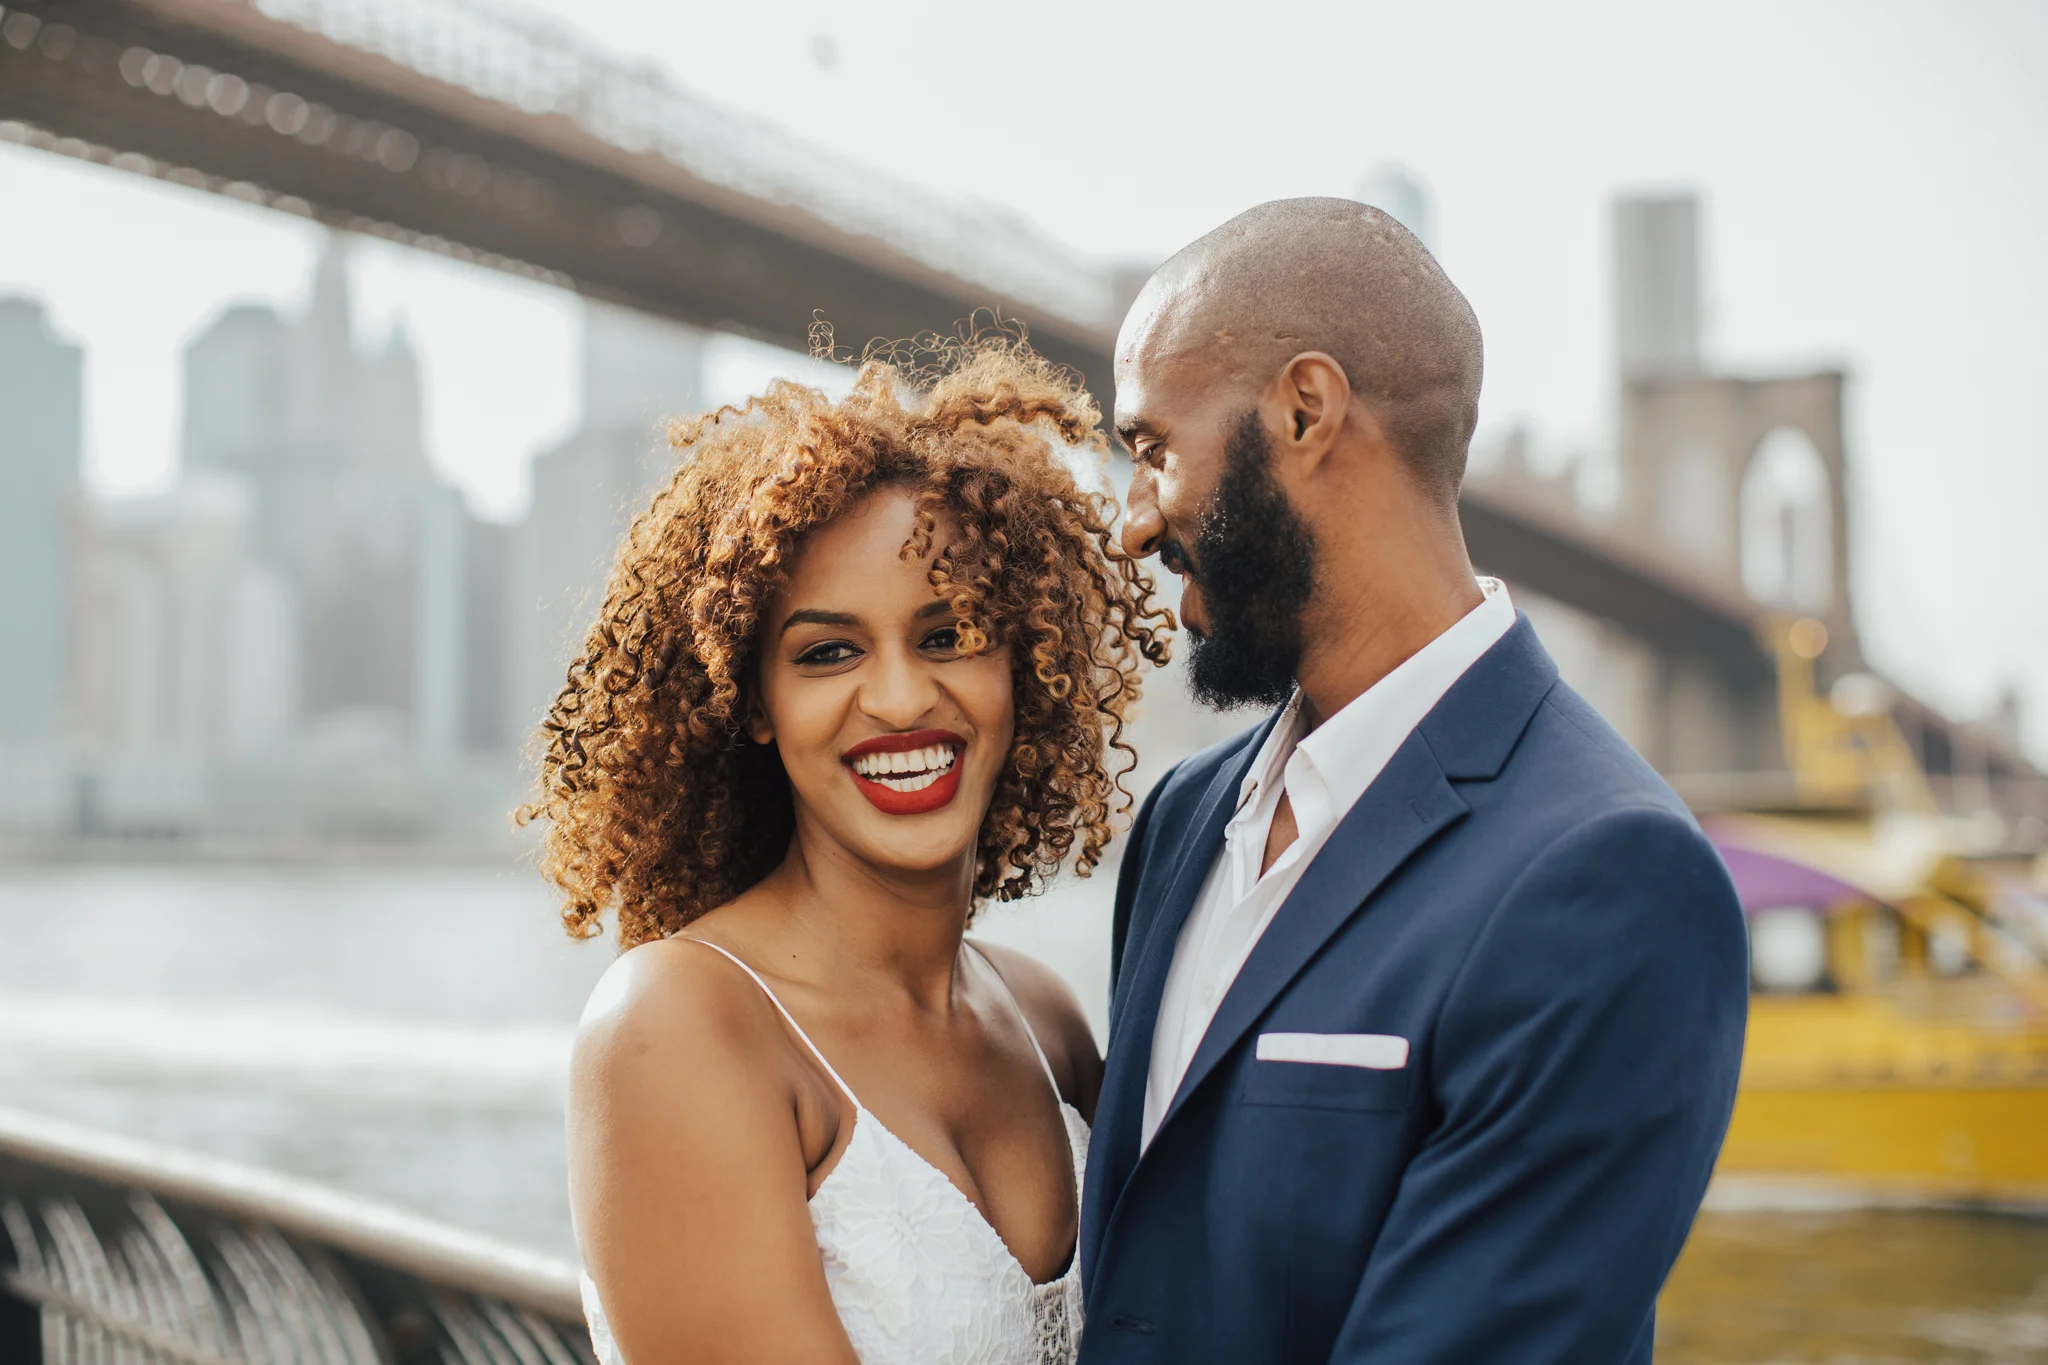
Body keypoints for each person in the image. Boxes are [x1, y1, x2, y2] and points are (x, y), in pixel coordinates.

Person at [1079, 198, 1750, 1363]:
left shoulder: (1610, 874)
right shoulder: (1181, 821)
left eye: (1151, 451)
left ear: (1304, 410)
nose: (1131, 526)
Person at [524, 341, 1172, 1365]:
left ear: (1024, 665)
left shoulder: (1043, 1019)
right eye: (828, 652)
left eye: (949, 634)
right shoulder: (676, 1025)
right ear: (753, 704)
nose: (902, 698)